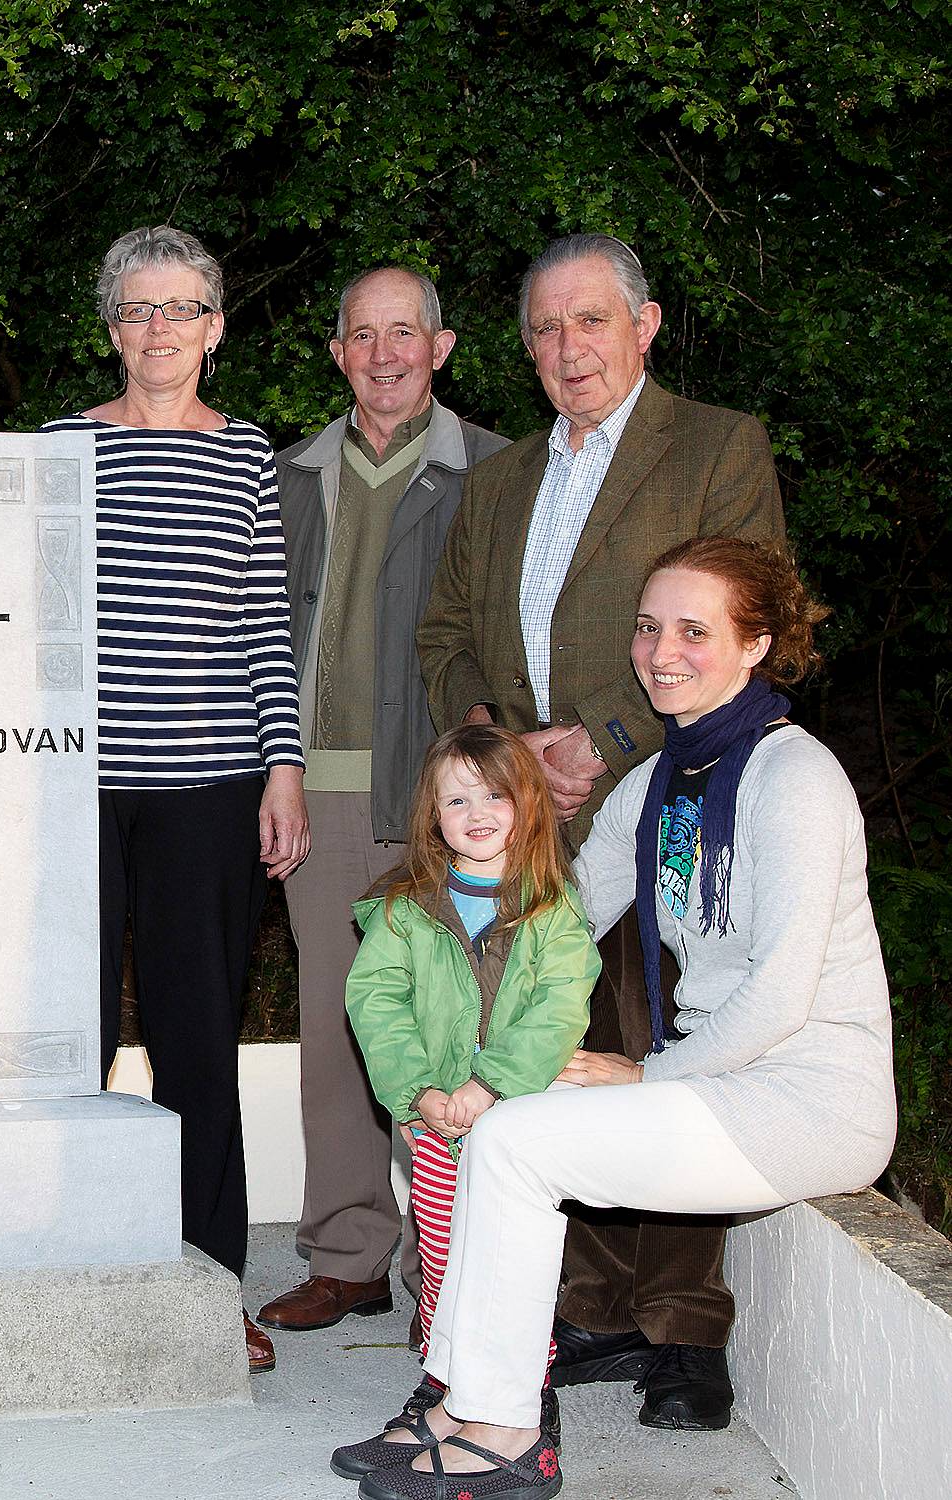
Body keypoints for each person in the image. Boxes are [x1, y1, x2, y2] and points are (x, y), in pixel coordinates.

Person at [349, 537, 893, 1500]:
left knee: (519, 1145)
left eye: (695, 630)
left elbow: (780, 993)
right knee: (500, 1119)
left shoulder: (794, 779)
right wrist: (435, 992)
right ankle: (461, 1399)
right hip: (725, 1081)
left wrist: (649, 1074)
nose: (661, 651)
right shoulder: (657, 782)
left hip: (807, 1095)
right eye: (649, 627)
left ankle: (505, 1427)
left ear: (757, 645)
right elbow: (557, 918)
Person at [414, 232, 785, 1427]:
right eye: (543, 329)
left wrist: (604, 744)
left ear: (647, 323)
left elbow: (743, 611)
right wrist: (499, 745)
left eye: (589, 322)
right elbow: (446, 635)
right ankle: (584, 1308)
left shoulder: (717, 445)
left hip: (663, 801)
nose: (566, 349)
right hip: (526, 829)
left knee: (661, 1053)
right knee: (545, 1058)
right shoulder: (501, 474)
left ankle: (681, 1331)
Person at [41, 225, 308, 1373]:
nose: (158, 329)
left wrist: (281, 769)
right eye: (137, 309)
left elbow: (262, 626)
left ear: (214, 326)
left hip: (209, 790)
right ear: (113, 328)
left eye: (180, 308)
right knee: (71, 1039)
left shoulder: (248, 454)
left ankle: (209, 1287)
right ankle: (64, 1268)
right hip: (72, 790)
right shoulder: (54, 449)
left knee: (200, 1042)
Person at [259, 268, 509, 1345]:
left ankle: (461, 1272)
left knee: (453, 1031)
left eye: (402, 332)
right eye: (361, 334)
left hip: (438, 796)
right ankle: (352, 1255)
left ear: (441, 346)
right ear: (337, 351)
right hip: (314, 792)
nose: (383, 352)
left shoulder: (496, 473)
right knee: (335, 1031)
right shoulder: (288, 477)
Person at [326, 723, 598, 1482]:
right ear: (431, 817)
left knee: (509, 1260)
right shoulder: (407, 909)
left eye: (495, 793)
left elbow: (557, 1010)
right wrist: (418, 1092)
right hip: (437, 1124)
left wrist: (493, 1084)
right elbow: (376, 1001)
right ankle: (451, 1385)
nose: (476, 811)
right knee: (444, 1256)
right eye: (455, 798)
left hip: (517, 1126)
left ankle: (521, 1392)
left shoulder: (553, 908)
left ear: (530, 804)